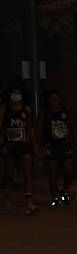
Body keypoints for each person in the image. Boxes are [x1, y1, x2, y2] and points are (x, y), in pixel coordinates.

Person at [1, 85, 39, 215]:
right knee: (9, 174)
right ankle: (7, 200)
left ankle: (29, 202)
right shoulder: (4, 109)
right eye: (14, 93)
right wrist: (8, 134)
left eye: (18, 93)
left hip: (24, 145)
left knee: (27, 173)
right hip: (10, 145)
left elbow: (31, 129)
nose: (16, 95)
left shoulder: (26, 109)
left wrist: (35, 146)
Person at [39, 89, 76, 208]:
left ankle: (64, 190)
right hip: (51, 145)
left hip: (65, 144)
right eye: (52, 98)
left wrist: (75, 143)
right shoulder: (45, 113)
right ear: (49, 100)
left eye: (56, 98)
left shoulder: (65, 111)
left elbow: (71, 127)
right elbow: (38, 130)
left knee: (69, 170)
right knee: (53, 172)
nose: (54, 101)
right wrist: (40, 147)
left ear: (60, 99)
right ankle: (55, 196)